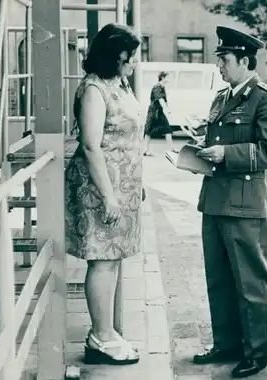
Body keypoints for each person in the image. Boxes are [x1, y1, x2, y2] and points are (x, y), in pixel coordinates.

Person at [192, 26, 267, 378]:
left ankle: (255, 353)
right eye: (219, 58)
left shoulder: (266, 99)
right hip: (215, 201)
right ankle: (227, 344)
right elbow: (218, 141)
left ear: (245, 61)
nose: (219, 65)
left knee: (250, 283)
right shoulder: (222, 97)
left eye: (224, 59)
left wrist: (225, 153)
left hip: (245, 206)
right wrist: (199, 153)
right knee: (218, 279)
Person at [65, 23, 143, 365]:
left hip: (120, 187)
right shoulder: (95, 88)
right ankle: (101, 336)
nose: (135, 63)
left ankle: (107, 332)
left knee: (112, 261)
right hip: (101, 188)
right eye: (131, 56)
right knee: (103, 260)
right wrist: (110, 196)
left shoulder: (118, 83)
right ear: (117, 55)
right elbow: (91, 144)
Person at [143, 71, 172, 155]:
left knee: (167, 129)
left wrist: (167, 108)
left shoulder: (162, 87)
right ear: (163, 77)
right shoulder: (157, 87)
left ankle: (171, 148)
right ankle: (145, 149)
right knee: (148, 130)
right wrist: (166, 109)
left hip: (159, 112)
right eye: (168, 77)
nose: (169, 79)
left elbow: (164, 100)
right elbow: (160, 99)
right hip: (153, 112)